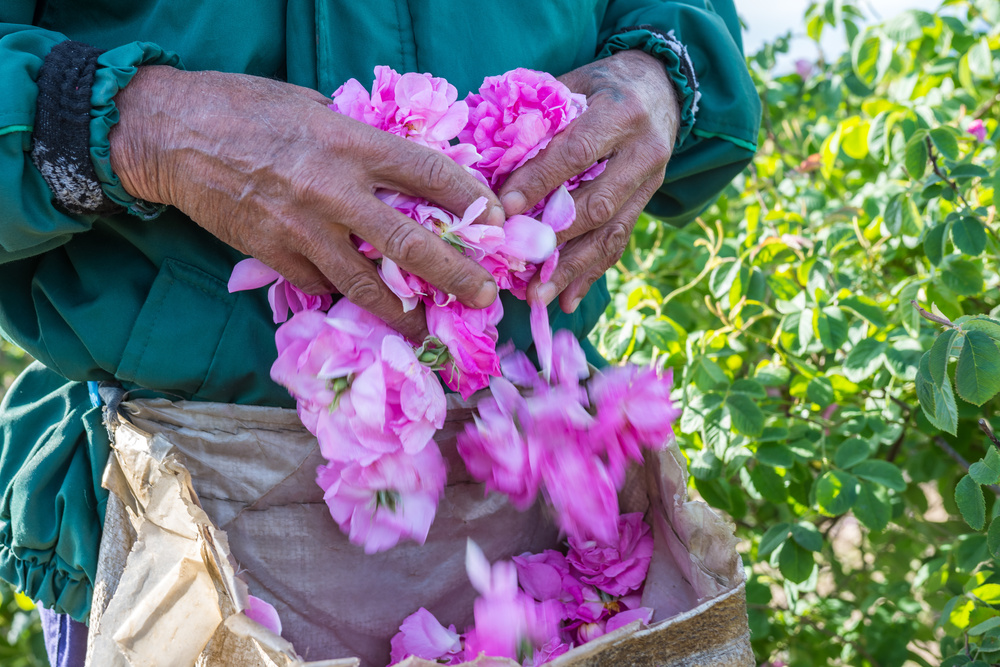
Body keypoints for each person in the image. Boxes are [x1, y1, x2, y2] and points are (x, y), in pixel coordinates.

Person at [0, 1, 760, 664]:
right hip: (182, 514)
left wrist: (661, 76)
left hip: (541, 494)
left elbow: (681, 15)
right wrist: (147, 131)